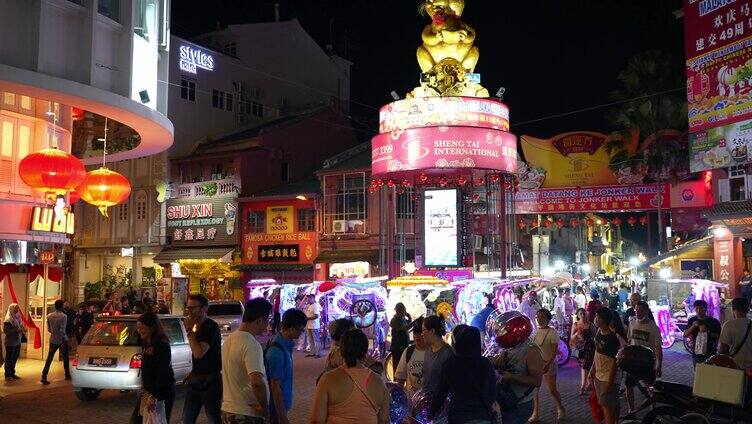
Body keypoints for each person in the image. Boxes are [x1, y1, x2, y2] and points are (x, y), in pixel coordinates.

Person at [309, 328, 390, 424]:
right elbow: (384, 420)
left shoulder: (327, 380)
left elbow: (317, 420)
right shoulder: (379, 382)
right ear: (365, 353)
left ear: (341, 352)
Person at [428, 324, 496, 424]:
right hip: (482, 416)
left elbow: (440, 394)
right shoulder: (486, 363)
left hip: (459, 416)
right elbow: (492, 394)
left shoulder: (450, 364)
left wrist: (430, 414)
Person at [221, 298, 272, 424]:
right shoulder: (251, 344)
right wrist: (265, 408)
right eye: (267, 321)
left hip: (228, 409)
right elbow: (257, 382)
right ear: (259, 320)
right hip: (245, 413)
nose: (267, 326)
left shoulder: (229, 339)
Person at [183, 294, 223, 424]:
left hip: (210, 381)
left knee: (213, 418)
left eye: (192, 308)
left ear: (204, 308)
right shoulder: (196, 327)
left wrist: (189, 331)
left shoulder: (210, 327)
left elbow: (199, 353)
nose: (189, 311)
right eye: (187, 307)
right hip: (196, 380)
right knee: (187, 419)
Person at [493, 330, 544, 423]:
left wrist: (511, 377)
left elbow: (536, 381)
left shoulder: (531, 350)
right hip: (508, 400)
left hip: (521, 403)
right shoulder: (509, 348)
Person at [266, 308, 307, 424]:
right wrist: (282, 417)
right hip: (277, 409)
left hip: (282, 405)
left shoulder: (285, 346)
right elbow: (275, 387)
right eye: (301, 330)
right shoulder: (277, 352)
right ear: (292, 329)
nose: (301, 333)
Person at [623, 300, 663, 421]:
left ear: (646, 311)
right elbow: (629, 341)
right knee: (628, 385)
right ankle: (631, 410)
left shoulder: (653, 328)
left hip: (647, 362)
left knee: (651, 388)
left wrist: (658, 365)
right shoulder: (632, 323)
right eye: (636, 310)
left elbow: (657, 348)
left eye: (640, 310)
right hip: (632, 361)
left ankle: (653, 411)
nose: (638, 312)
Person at [136, 312, 176, 423]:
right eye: (138, 328)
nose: (139, 331)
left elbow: (162, 372)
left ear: (152, 328)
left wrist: (154, 396)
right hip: (149, 392)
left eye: (142, 328)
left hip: (161, 393)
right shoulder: (147, 343)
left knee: (158, 420)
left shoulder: (161, 345)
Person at [530, 309, 565, 422]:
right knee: (535, 390)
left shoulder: (552, 332)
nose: (539, 319)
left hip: (549, 364)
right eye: (538, 316)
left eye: (542, 317)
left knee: (552, 389)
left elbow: (555, 351)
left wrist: (548, 364)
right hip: (536, 364)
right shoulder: (535, 332)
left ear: (548, 319)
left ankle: (560, 408)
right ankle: (535, 413)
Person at [589, 308, 621, 424]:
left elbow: (614, 363)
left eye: (597, 316)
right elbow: (597, 353)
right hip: (599, 376)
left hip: (608, 378)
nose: (595, 318)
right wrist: (593, 369)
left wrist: (609, 382)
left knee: (607, 408)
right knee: (607, 405)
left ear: (603, 320)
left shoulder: (612, 339)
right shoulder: (599, 333)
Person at [683, 299, 722, 366]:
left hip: (710, 354)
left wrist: (707, 333)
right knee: (698, 374)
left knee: (710, 374)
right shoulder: (692, 320)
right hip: (697, 354)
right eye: (696, 308)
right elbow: (685, 334)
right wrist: (693, 326)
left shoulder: (714, 321)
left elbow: (719, 336)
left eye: (701, 308)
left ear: (705, 309)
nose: (698, 310)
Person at [421, 315, 454, 393]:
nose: (422, 334)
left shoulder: (447, 353)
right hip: (426, 400)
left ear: (432, 331)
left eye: (423, 330)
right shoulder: (429, 350)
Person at [41, 299, 70, 385]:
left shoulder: (49, 315)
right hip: (62, 340)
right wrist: (65, 337)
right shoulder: (64, 316)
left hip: (53, 339)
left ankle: (44, 375)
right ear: (61, 306)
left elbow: (49, 329)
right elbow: (62, 329)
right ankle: (67, 374)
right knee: (65, 358)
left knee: (50, 358)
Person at [395, 317, 426, 397]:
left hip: (429, 401)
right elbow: (400, 378)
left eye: (420, 333)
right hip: (411, 400)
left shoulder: (433, 352)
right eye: (415, 333)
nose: (416, 336)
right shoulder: (408, 351)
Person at [719, 297, 752, 370]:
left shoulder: (729, 325)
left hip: (736, 367)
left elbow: (723, 350)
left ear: (733, 309)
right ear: (747, 310)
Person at [570, 307, 595, 395]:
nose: (583, 315)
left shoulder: (590, 324)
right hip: (580, 348)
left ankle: (583, 386)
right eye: (581, 314)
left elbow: (595, 336)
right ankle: (589, 383)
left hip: (589, 347)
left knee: (585, 366)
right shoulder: (575, 325)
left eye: (584, 313)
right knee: (584, 366)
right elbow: (571, 337)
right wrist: (577, 333)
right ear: (577, 315)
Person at [3, 303, 26, 381]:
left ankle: (12, 373)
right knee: (9, 358)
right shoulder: (8, 320)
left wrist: (23, 329)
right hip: (10, 342)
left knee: (14, 358)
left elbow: (20, 326)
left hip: (17, 341)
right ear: (12, 309)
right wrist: (17, 330)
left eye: (18, 308)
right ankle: (7, 375)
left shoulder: (18, 317)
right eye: (16, 308)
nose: (17, 310)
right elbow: (6, 331)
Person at [389, 303, 412, 374]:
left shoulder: (402, 319)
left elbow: (407, 325)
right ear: (399, 311)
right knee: (397, 368)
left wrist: (409, 318)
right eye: (403, 310)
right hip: (397, 348)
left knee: (404, 368)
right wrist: (413, 323)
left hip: (404, 347)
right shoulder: (394, 320)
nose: (405, 312)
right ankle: (396, 383)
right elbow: (404, 328)